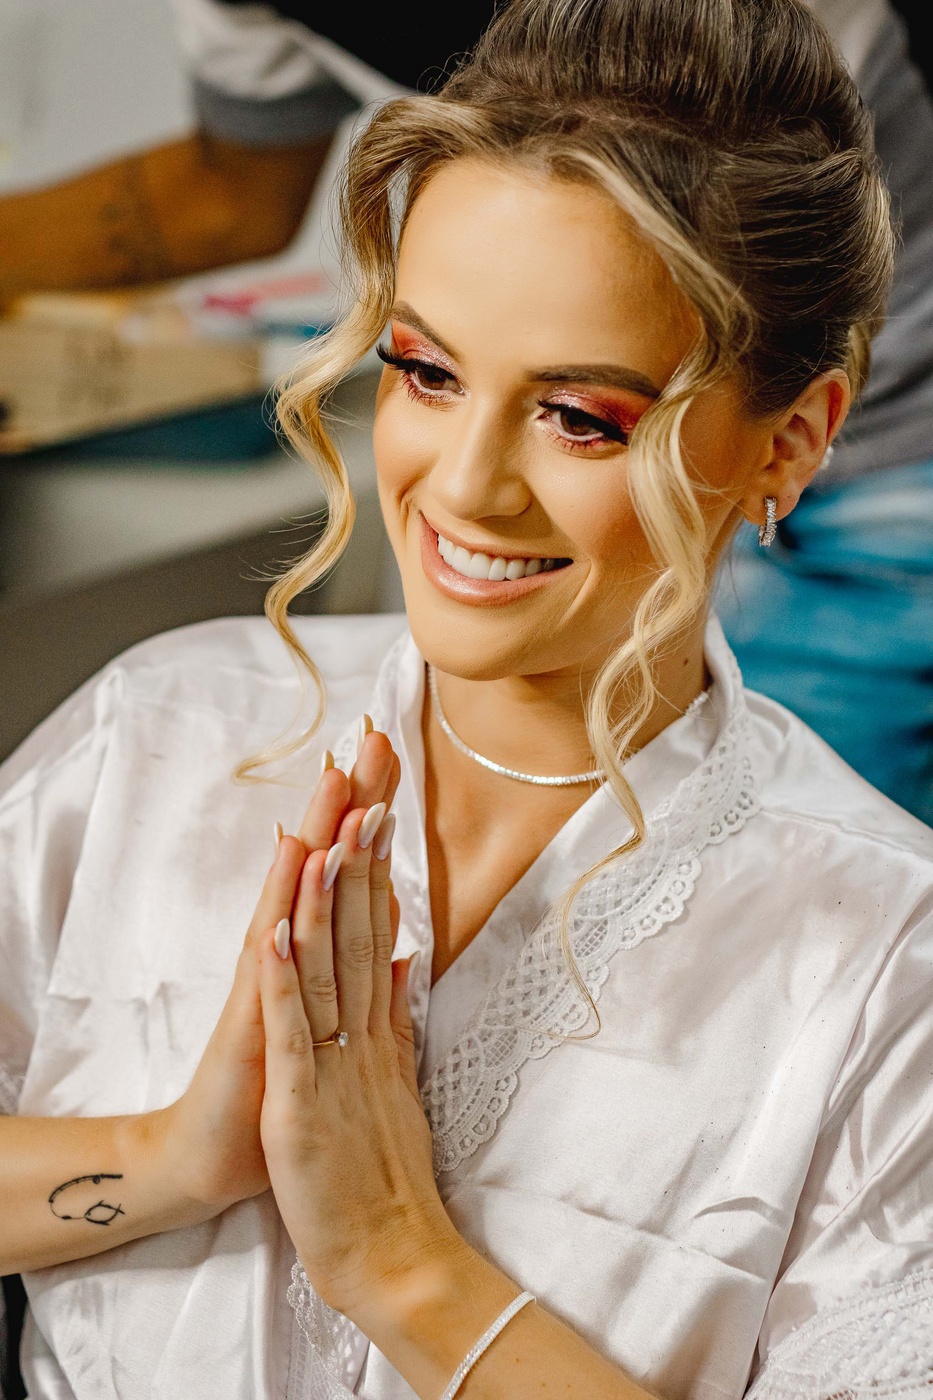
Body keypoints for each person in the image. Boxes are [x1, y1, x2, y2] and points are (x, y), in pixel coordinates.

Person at [2, 0, 933, 1394]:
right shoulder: (157, 734)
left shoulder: (882, 971)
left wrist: (401, 1263)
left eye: (580, 417)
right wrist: (170, 1157)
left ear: (789, 442)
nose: (464, 485)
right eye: (425, 371)